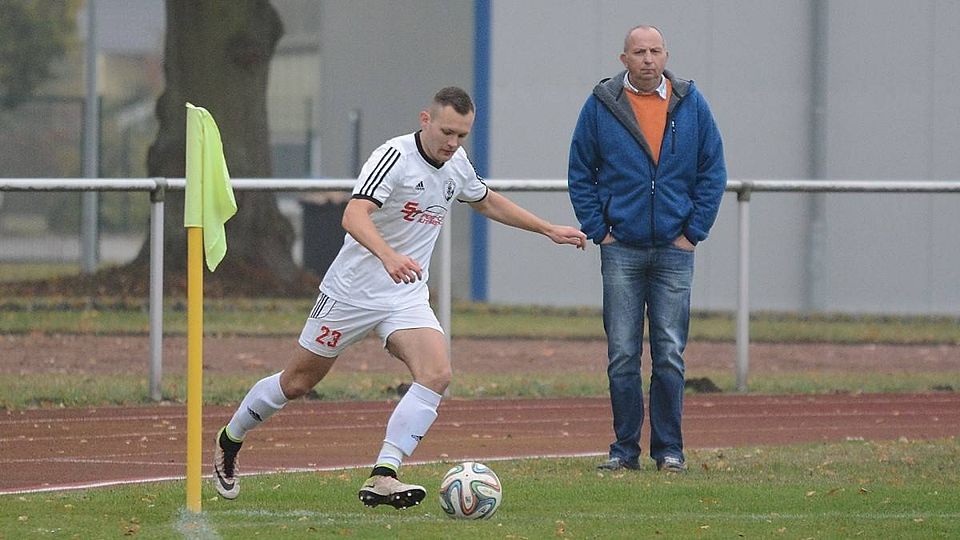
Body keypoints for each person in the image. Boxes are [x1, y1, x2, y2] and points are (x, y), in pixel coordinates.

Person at [213, 86, 587, 508]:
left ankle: (384, 474)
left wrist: (547, 229)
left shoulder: (457, 163)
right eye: (447, 132)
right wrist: (388, 255)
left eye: (462, 135)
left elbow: (485, 201)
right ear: (426, 120)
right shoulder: (394, 157)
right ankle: (230, 438)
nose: (453, 142)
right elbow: (353, 214)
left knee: (436, 373)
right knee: (296, 382)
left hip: (405, 294)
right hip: (351, 293)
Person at [567, 25, 726, 473]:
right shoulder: (602, 105)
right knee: (622, 354)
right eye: (639, 52)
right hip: (621, 248)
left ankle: (669, 449)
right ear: (624, 59)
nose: (648, 59)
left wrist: (693, 232)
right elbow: (580, 170)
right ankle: (624, 450)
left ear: (666, 55)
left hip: (675, 250)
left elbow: (712, 170)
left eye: (655, 51)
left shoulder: (691, 103)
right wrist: (600, 229)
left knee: (670, 353)